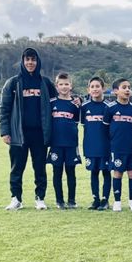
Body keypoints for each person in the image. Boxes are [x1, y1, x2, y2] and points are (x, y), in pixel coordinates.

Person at [0, 47, 57, 211]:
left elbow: (57, 105)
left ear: (38, 62)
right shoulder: (13, 83)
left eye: (33, 59)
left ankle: (40, 198)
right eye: (27, 59)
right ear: (23, 62)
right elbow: (4, 109)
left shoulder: (45, 83)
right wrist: (4, 131)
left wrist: (74, 101)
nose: (30, 63)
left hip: (40, 133)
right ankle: (16, 198)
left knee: (40, 168)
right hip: (18, 133)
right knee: (17, 168)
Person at [103, 78, 132, 212]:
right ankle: (117, 201)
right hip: (117, 148)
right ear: (115, 91)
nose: (127, 90)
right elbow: (105, 129)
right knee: (117, 173)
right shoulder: (110, 108)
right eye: (124, 87)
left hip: (131, 148)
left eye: (129, 87)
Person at [47, 73, 81, 209]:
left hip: (71, 143)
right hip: (56, 144)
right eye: (61, 84)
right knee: (57, 172)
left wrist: (80, 102)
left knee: (71, 172)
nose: (64, 87)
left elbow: (77, 121)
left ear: (71, 86)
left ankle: (72, 200)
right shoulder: (51, 102)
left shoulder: (75, 104)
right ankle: (59, 200)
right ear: (56, 87)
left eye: (66, 84)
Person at [81, 76, 112, 210]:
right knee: (93, 172)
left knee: (106, 171)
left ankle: (105, 200)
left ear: (103, 88)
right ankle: (95, 199)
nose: (95, 89)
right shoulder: (84, 107)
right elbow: (83, 126)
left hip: (105, 146)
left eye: (97, 86)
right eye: (92, 87)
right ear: (88, 89)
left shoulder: (109, 107)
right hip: (90, 146)